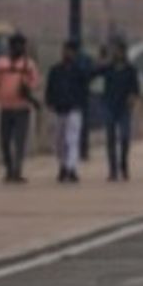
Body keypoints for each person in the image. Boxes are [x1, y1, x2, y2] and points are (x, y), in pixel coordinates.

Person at [0, 35, 40, 183]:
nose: (20, 49)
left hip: (22, 108)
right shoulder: (0, 64)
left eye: (22, 46)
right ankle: (9, 169)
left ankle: (17, 171)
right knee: (4, 142)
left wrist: (28, 86)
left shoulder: (29, 65)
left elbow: (36, 82)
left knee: (19, 141)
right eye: (17, 45)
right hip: (5, 108)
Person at [46, 39, 91, 183]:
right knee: (59, 141)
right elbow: (50, 88)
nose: (67, 53)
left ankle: (71, 168)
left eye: (70, 51)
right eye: (65, 50)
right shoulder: (55, 70)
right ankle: (63, 165)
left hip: (74, 109)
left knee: (72, 139)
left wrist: (81, 103)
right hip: (59, 109)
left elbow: (85, 89)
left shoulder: (79, 71)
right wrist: (50, 102)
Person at [97, 41, 142, 181]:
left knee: (124, 137)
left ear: (123, 52)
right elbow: (93, 72)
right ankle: (112, 170)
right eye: (114, 51)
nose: (116, 54)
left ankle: (123, 164)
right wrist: (101, 60)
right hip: (109, 105)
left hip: (124, 108)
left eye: (118, 51)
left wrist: (133, 98)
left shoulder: (130, 70)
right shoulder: (108, 68)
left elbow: (136, 89)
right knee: (110, 139)